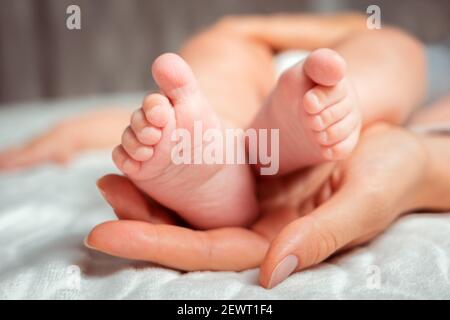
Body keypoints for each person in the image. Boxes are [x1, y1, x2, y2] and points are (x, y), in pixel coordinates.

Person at [0, 13, 426, 230]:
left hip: (322, 74)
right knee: (216, 60)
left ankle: (329, 109)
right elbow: (152, 113)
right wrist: (73, 132)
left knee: (395, 49)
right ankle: (223, 152)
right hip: (276, 83)